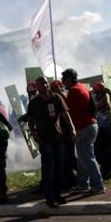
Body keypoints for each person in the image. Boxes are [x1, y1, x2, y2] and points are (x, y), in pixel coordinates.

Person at [27, 76, 76, 207]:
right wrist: (34, 134)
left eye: (46, 83)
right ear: (37, 86)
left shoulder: (56, 98)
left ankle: (57, 195)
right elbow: (30, 120)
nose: (45, 85)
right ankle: (49, 198)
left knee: (59, 168)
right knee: (48, 168)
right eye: (42, 83)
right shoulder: (34, 102)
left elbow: (65, 114)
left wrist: (72, 129)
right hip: (44, 139)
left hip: (58, 137)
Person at [61, 68, 106, 194]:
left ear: (69, 79)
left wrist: (59, 93)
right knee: (82, 158)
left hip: (85, 127)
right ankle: (83, 184)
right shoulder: (81, 87)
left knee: (87, 157)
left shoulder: (74, 91)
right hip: (88, 126)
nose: (63, 82)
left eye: (64, 80)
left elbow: (65, 108)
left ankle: (98, 185)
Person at [50, 80, 78, 189]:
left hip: (66, 131)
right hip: (63, 132)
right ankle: (71, 178)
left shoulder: (61, 96)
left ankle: (75, 179)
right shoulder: (58, 96)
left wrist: (71, 130)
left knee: (69, 157)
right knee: (66, 157)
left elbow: (67, 112)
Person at [91, 82, 111, 179]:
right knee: (104, 148)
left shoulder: (105, 96)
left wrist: (108, 94)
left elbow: (97, 107)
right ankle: (108, 167)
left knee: (102, 148)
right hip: (103, 125)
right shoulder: (96, 96)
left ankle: (108, 168)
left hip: (105, 125)